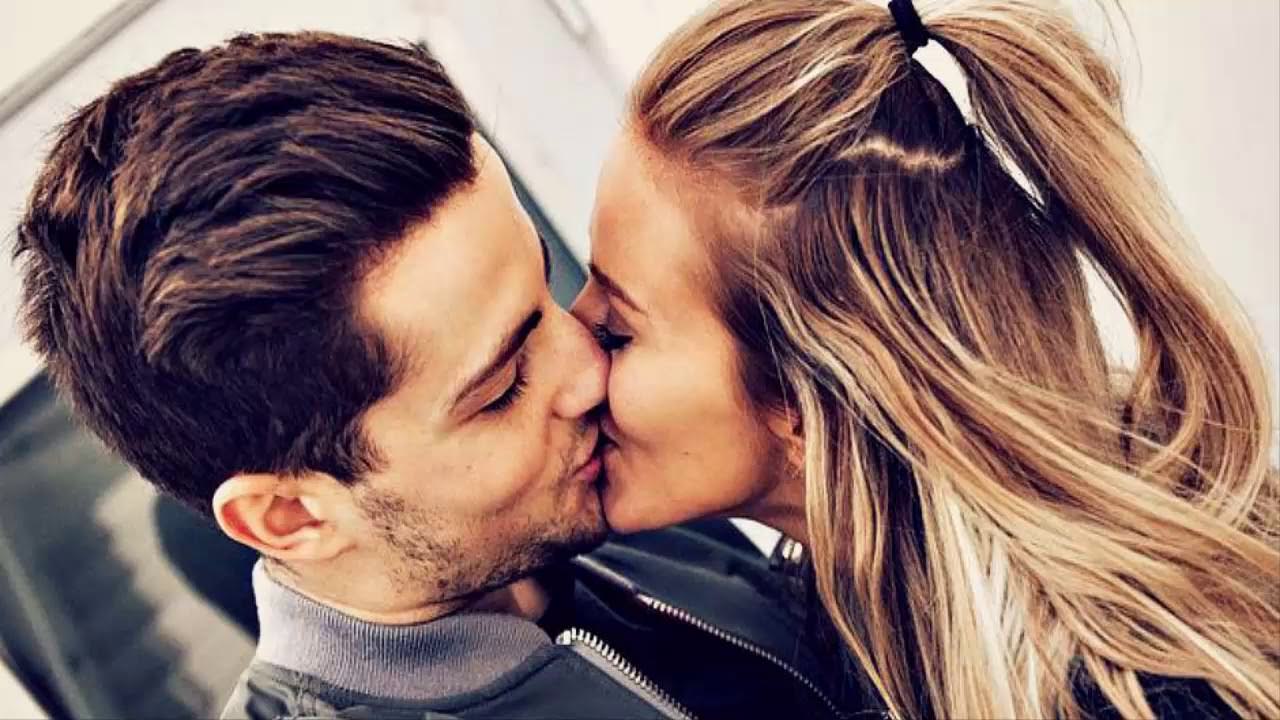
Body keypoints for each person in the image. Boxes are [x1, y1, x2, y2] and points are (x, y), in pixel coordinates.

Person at [14, 32, 863, 720]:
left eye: (546, 293)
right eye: (500, 389)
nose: (587, 370)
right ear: (290, 516)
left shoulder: (600, 500)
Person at [571, 0, 1280, 717]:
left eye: (619, 331)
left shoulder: (1139, 699)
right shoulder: (863, 618)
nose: (571, 350)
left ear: (815, 404)